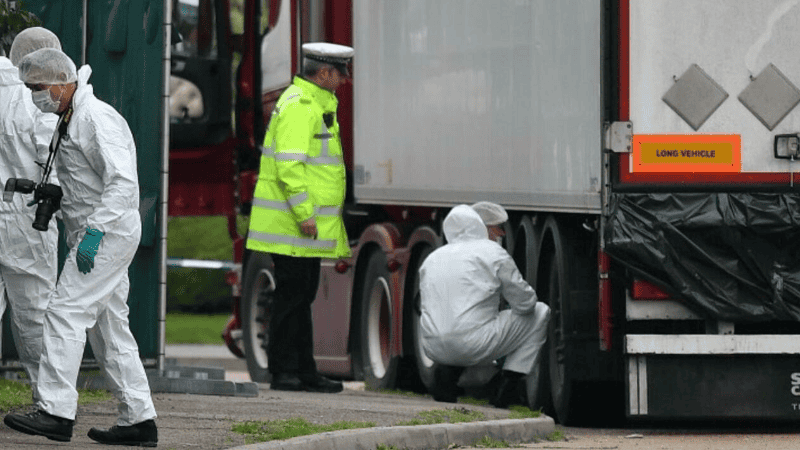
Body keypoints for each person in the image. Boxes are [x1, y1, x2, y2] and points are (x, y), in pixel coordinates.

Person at [3, 48, 157, 446]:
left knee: (63, 312)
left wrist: (95, 234)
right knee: (109, 329)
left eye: (38, 87)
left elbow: (123, 184)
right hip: (96, 232)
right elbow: (84, 179)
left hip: (105, 235)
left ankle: (55, 411)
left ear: (60, 82)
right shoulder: (68, 117)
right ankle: (138, 419)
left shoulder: (95, 118)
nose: (36, 95)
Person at [245, 42, 353, 393]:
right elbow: (289, 167)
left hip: (297, 227)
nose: (344, 81)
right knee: (292, 297)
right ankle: (284, 372)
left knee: (300, 295)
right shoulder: (300, 106)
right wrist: (306, 213)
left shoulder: (311, 104)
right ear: (323, 73)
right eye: (340, 74)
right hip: (291, 225)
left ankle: (304, 371)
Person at [419, 204, 550, 408]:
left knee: (456, 326)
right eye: (498, 227)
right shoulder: (493, 253)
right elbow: (525, 304)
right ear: (481, 227)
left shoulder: (432, 259)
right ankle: (507, 386)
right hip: (474, 345)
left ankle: (446, 379)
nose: (502, 233)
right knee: (540, 311)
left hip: (432, 348)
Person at [0, 27, 61, 405]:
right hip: (28, 217)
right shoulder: (39, 102)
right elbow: (54, 162)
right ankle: (50, 403)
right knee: (36, 316)